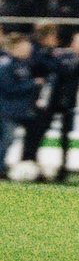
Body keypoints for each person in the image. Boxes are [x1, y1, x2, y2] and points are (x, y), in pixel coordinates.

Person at [23, 27, 79, 180]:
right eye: (78, 41)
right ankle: (30, 163)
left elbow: (75, 70)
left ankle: (64, 168)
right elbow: (58, 69)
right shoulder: (58, 54)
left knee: (66, 136)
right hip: (52, 101)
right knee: (38, 131)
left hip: (69, 102)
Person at [0, 33, 43, 179]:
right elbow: (8, 88)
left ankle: (28, 163)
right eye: (24, 47)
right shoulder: (5, 65)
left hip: (22, 110)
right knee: (6, 139)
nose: (27, 50)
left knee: (30, 134)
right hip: (8, 110)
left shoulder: (23, 64)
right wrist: (32, 84)